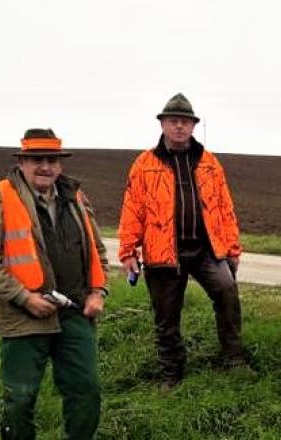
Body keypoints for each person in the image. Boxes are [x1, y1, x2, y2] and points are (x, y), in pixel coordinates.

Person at [0, 128, 110, 439]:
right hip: (24, 317)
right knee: (19, 400)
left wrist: (98, 292)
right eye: (36, 159)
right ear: (21, 161)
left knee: (87, 392)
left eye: (52, 160)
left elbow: (97, 250)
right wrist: (24, 297)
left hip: (75, 313)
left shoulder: (75, 197)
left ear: (60, 164)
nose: (45, 166)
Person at [118, 93, 246, 392]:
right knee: (166, 316)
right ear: (163, 124)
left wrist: (232, 248)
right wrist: (128, 251)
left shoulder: (209, 163)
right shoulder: (144, 164)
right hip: (163, 253)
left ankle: (233, 358)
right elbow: (132, 209)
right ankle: (171, 373)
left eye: (185, 122)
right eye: (173, 121)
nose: (179, 126)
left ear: (192, 126)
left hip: (205, 250)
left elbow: (224, 207)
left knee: (227, 292)